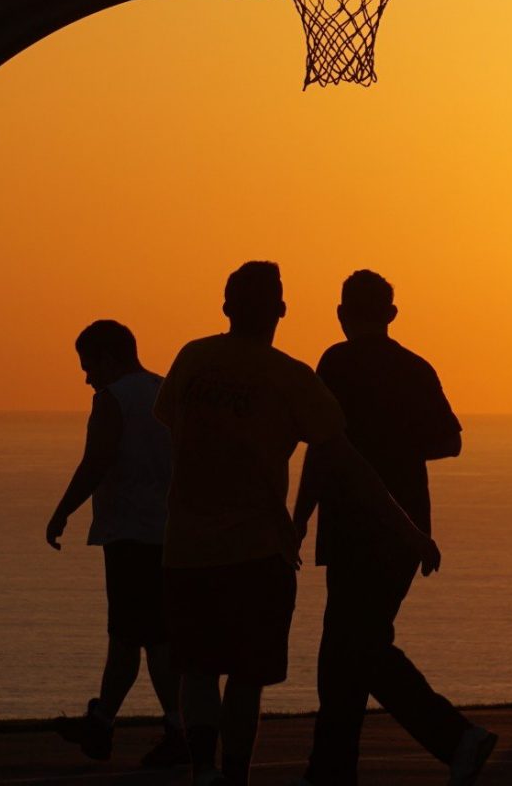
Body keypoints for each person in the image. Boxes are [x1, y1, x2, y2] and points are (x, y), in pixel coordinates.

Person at [154, 261, 442, 786]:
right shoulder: (291, 377)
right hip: (258, 549)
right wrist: (409, 531)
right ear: (281, 310)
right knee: (247, 675)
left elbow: (169, 421)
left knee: (196, 668)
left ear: (225, 307)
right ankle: (235, 775)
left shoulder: (192, 359)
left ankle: (203, 770)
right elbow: (346, 461)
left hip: (185, 547)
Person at [290, 271, 498, 786]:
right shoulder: (414, 368)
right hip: (406, 526)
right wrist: (401, 444)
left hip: (353, 528)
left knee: (352, 648)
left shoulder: (335, 364)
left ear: (341, 314)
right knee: (351, 648)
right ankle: (334, 770)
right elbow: (450, 441)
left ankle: (453, 737)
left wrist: (298, 519)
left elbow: (322, 448)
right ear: (392, 314)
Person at [44, 320, 186, 768]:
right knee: (132, 636)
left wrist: (62, 510)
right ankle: (102, 722)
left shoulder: (113, 401)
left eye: (89, 366)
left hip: (129, 534)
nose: (87, 377)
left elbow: (96, 462)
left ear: (108, 359)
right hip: (168, 532)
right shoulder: (167, 392)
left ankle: (176, 729)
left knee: (148, 638)